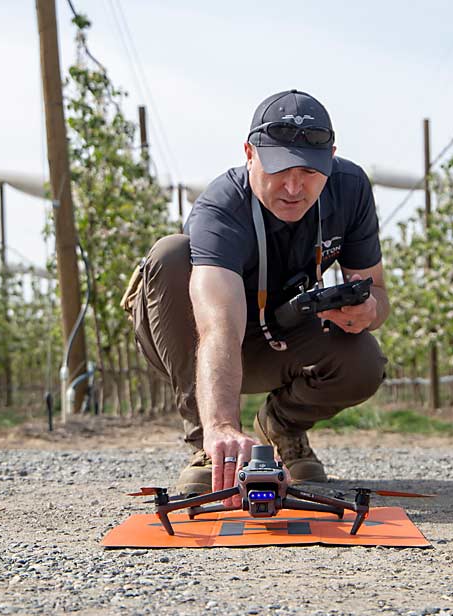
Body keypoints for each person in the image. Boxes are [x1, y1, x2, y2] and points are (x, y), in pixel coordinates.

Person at [127, 89, 389, 495]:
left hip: (282, 335)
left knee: (365, 360)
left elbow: (379, 295)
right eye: (279, 169)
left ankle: (281, 426)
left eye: (309, 171)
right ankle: (209, 445)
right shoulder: (221, 208)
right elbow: (217, 327)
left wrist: (367, 310)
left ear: (331, 158)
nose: (293, 186)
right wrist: (222, 426)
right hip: (200, 339)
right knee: (170, 254)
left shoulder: (351, 189)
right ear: (249, 153)